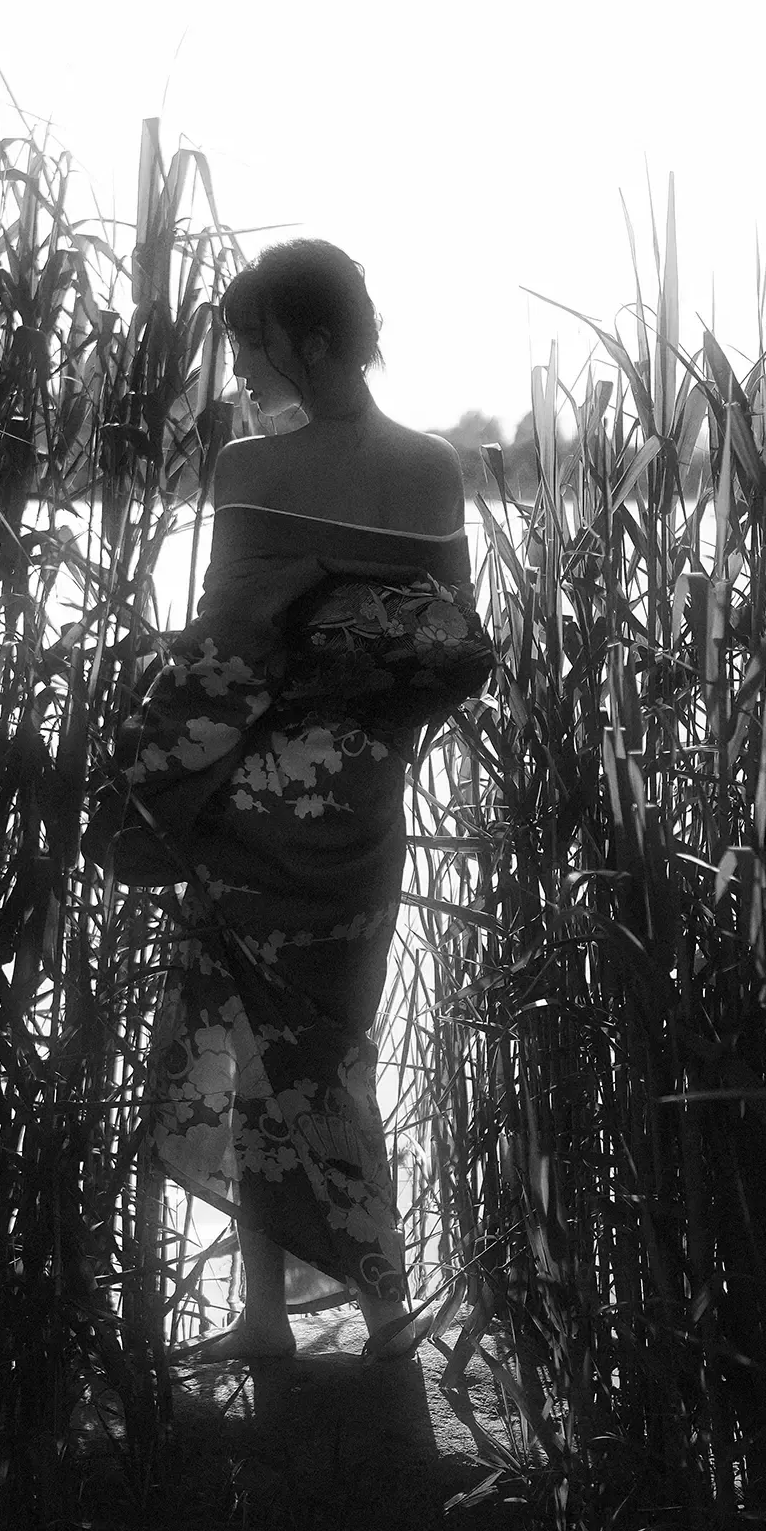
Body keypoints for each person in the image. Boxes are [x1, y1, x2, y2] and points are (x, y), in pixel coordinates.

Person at [84, 239, 491, 1362]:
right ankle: (358, 1310)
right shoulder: (433, 469)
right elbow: (446, 650)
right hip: (359, 801)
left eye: (250, 342)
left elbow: (226, 663)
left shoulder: (250, 470)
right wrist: (366, 743)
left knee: (249, 1041)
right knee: (327, 1048)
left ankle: (284, 1316)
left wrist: (135, 781)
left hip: (253, 804)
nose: (239, 366)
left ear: (309, 343)